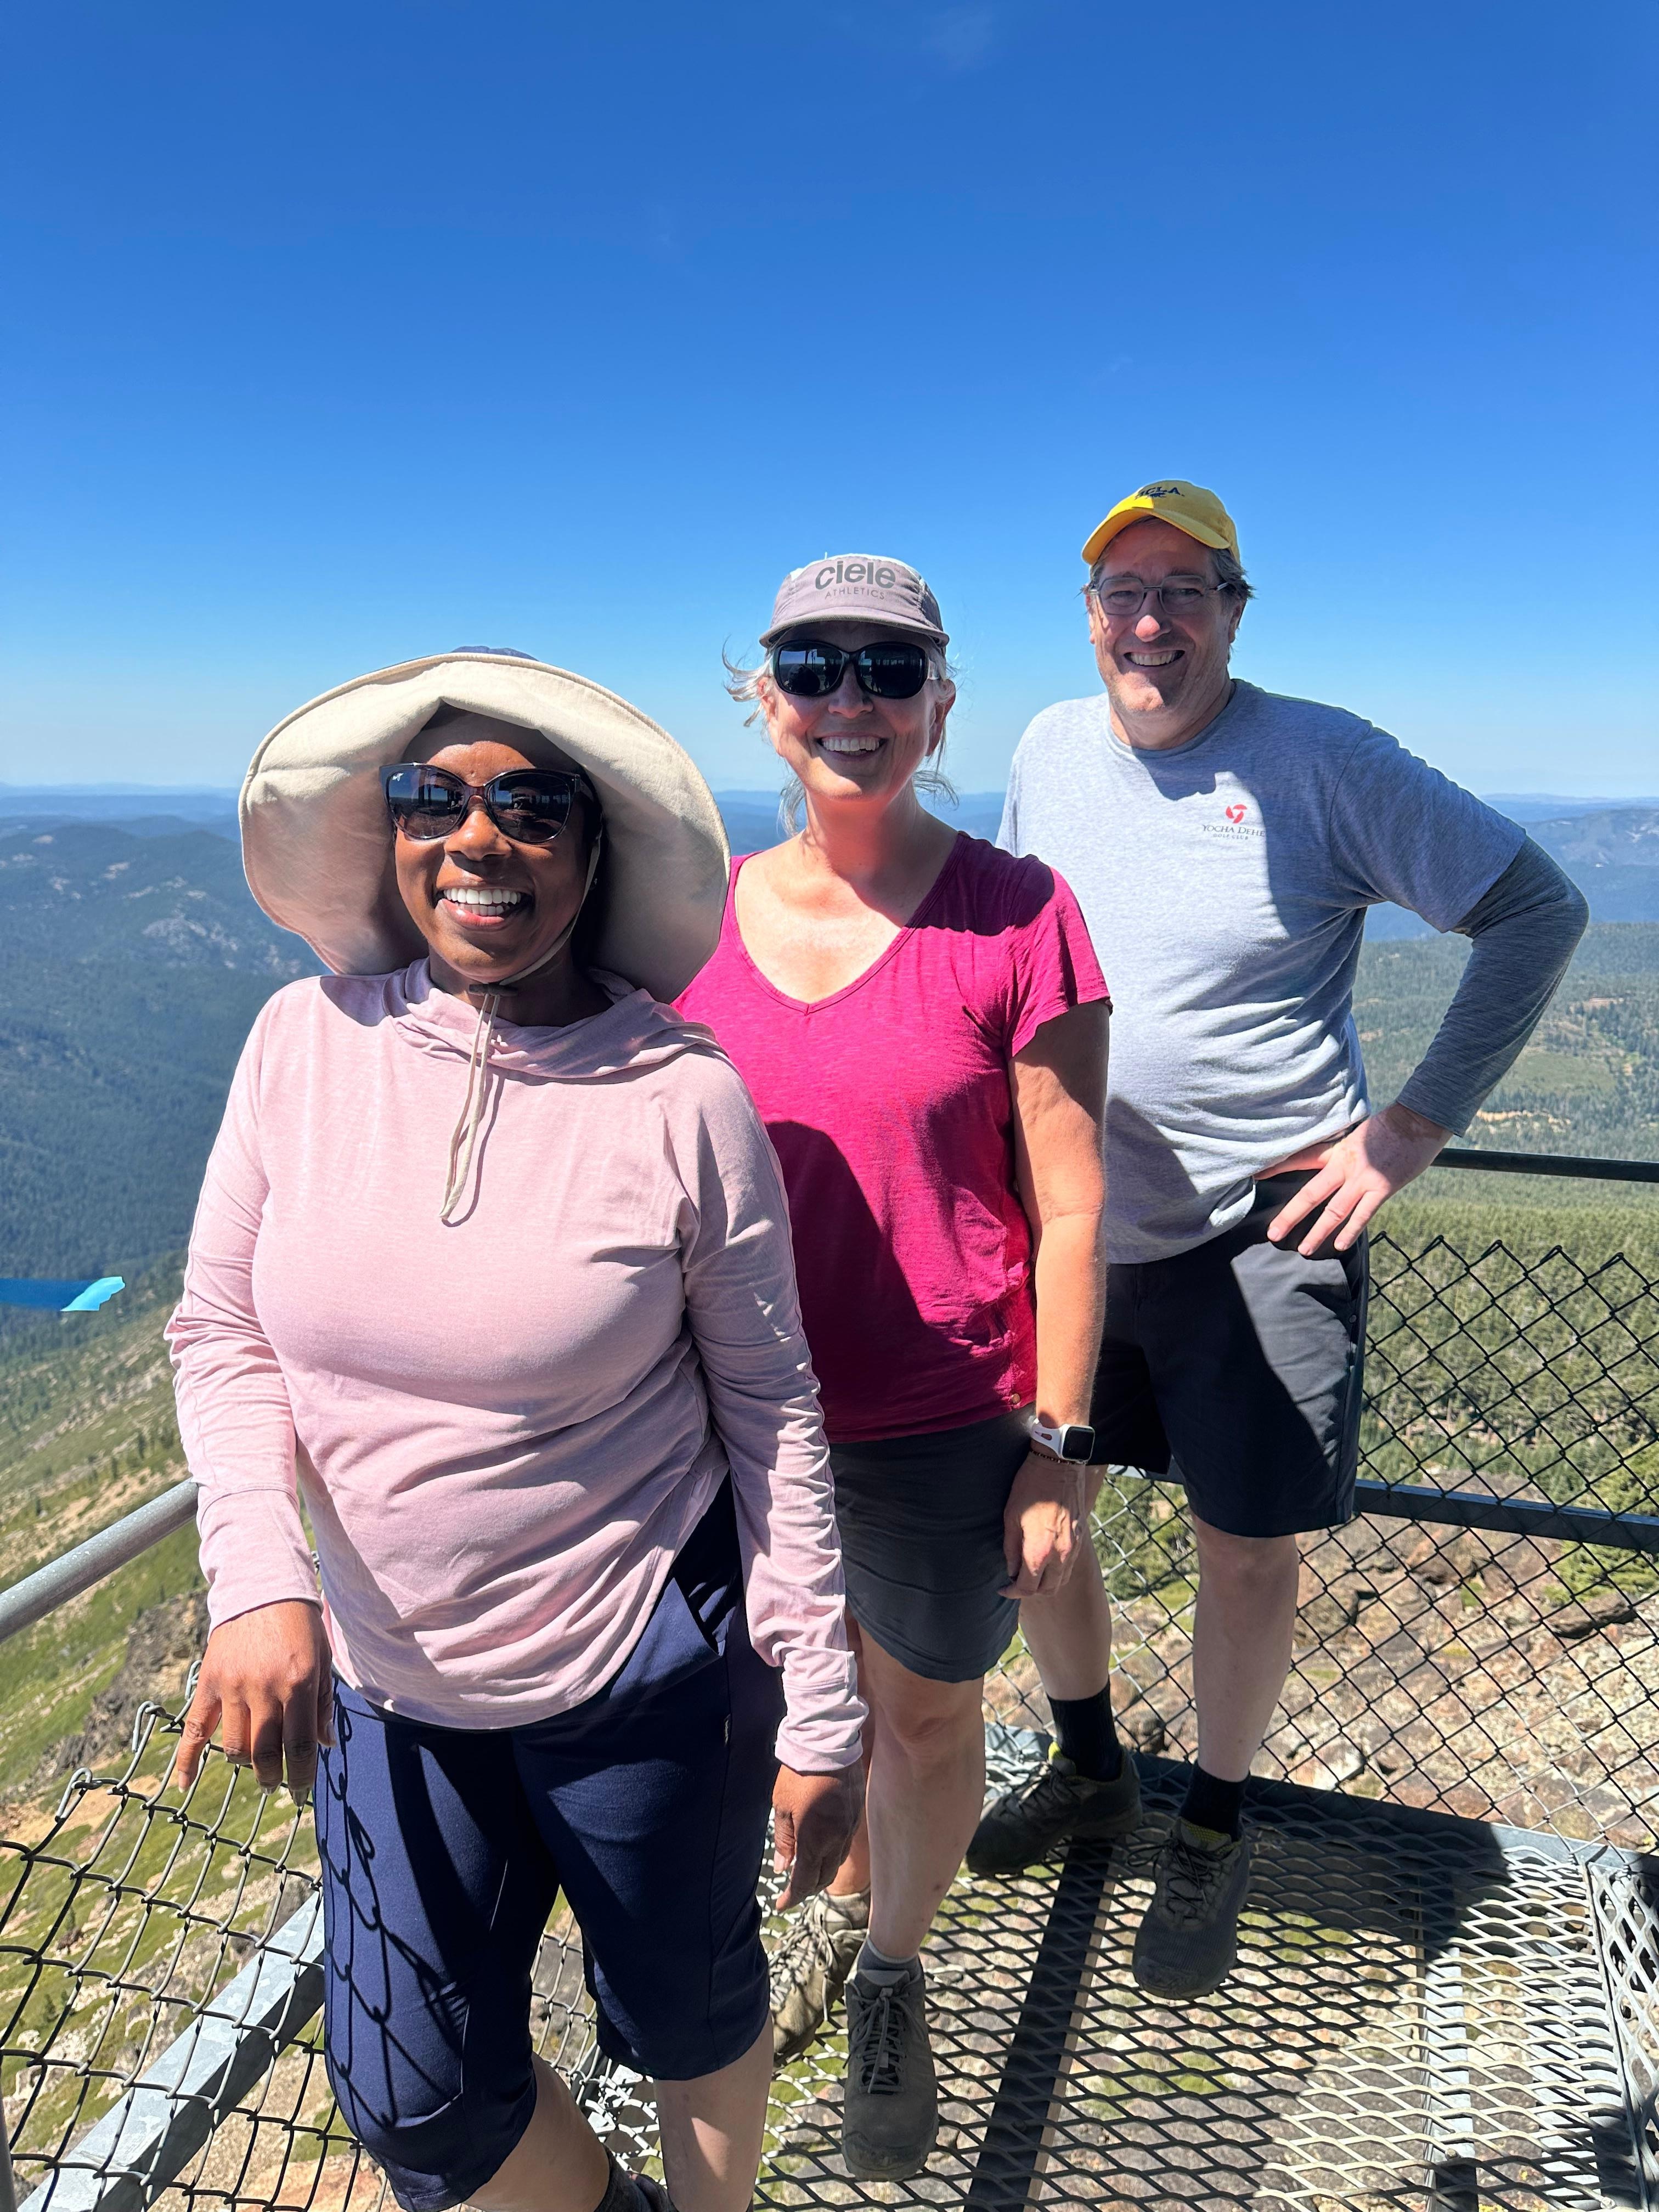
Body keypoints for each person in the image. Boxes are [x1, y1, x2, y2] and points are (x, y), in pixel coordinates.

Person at [166, 649, 866, 2212]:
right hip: (388, 1690)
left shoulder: (682, 1099)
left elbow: (773, 1413)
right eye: (436, 798)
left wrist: (821, 1706)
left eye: (533, 806)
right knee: (411, 2095)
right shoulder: (300, 1048)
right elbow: (220, 1335)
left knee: (685, 2011)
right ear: (391, 834)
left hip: (642, 1673)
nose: (480, 838)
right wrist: (254, 1575)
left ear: (594, 856)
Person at [979, 478, 1589, 1999]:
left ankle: (1218, 1830)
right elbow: (1008, 951)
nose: (1150, 619)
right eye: (1123, 589)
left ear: (1234, 613)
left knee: (1244, 1553)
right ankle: (1092, 1765)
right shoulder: (1050, 748)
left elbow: (1535, 906)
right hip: (1076, 1223)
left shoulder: (1321, 757)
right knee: (1043, 1513)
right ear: (1089, 615)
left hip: (1269, 1222)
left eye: (1187, 589)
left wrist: (1412, 1129)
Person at [677, 558, 1118, 2180]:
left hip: (943, 1412)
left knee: (925, 1720)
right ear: (764, 696)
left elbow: (1072, 1199)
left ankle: (892, 1977)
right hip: (722, 1416)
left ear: (940, 703)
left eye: (890, 669)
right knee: (781, 1714)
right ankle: (815, 1926)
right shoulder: (687, 917)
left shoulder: (1019, 911)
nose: (850, 700)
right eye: (814, 664)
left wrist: (1060, 1446)